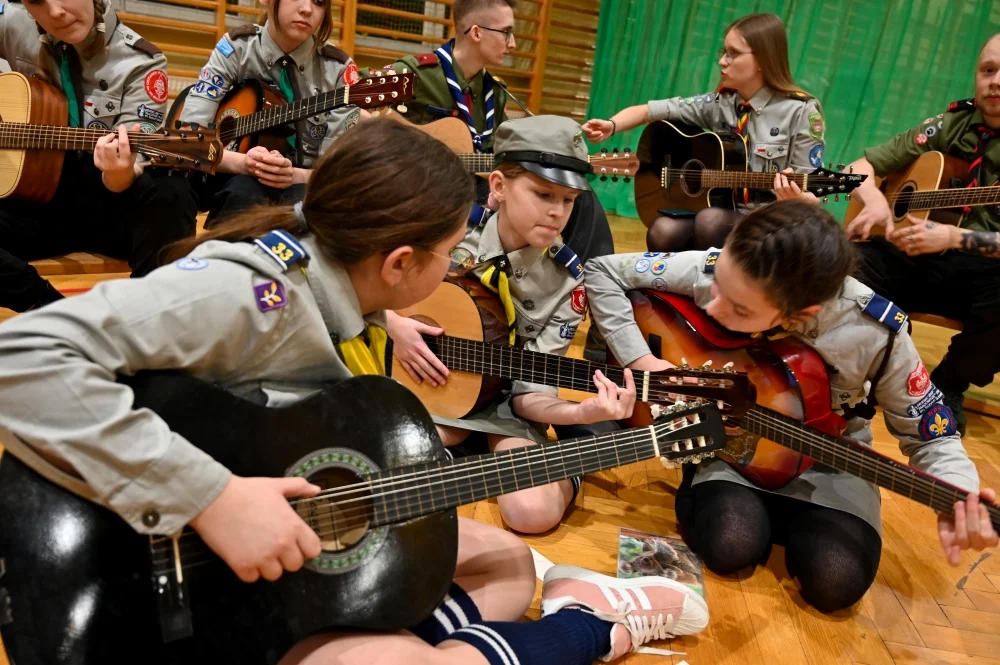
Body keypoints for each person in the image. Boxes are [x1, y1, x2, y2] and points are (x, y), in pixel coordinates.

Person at [0, 119, 707, 664]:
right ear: (400, 262)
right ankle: (590, 625)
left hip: (244, 585)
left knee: (509, 562)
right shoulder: (251, 292)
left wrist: (380, 313)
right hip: (112, 587)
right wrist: (210, 496)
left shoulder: (337, 284)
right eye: (445, 250)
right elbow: (19, 356)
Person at [584, 200, 998, 613]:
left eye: (740, 308)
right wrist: (642, 361)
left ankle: (791, 513)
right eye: (719, 288)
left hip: (830, 458)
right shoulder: (725, 268)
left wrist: (957, 491)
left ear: (802, 314)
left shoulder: (875, 330)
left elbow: (930, 432)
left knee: (836, 582)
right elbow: (601, 270)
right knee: (731, 545)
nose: (713, 306)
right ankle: (716, 483)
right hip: (733, 443)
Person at [388, 115, 636, 535]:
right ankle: (464, 455)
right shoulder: (446, 229)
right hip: (433, 382)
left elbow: (527, 397)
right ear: (499, 187)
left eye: (570, 200)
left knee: (532, 513)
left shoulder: (568, 282)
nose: (557, 212)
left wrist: (582, 412)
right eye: (543, 193)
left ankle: (553, 465)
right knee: (394, 451)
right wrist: (393, 324)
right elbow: (372, 286)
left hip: (504, 405)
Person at [845, 33, 1000, 437]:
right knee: (847, 260)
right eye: (988, 70)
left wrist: (952, 238)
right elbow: (856, 167)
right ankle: (891, 366)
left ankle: (947, 385)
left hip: (982, 273)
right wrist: (876, 200)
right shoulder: (950, 125)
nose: (995, 81)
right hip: (913, 255)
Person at [382, 0, 615, 269]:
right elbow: (353, 103)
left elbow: (499, 156)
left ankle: (586, 278)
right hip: (422, 189)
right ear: (477, 32)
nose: (513, 43)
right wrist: (410, 148)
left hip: (477, 187)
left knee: (574, 191)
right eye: (506, 32)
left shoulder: (495, 91)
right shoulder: (417, 73)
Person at [0, 0, 198, 313]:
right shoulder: (12, 23)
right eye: (38, 0)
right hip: (34, 199)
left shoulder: (141, 62)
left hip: (107, 204)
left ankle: (146, 319)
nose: (55, 12)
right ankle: (53, 312)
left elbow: (127, 172)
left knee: (170, 187)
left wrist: (118, 171)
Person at [582, 13, 825, 253]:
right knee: (662, 230)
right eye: (724, 52)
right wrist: (611, 125)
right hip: (724, 212)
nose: (722, 61)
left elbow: (813, 196)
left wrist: (794, 197)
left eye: (733, 53)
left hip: (773, 224)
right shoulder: (720, 103)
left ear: (762, 59)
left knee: (710, 221)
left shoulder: (801, 111)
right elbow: (649, 111)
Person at [179, 0, 363, 226]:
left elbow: (336, 173)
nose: (307, 9)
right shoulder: (236, 48)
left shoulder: (339, 69)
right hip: (229, 173)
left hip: (304, 183)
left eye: (319, 2)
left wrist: (294, 175)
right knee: (242, 193)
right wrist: (244, 163)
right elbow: (186, 140)